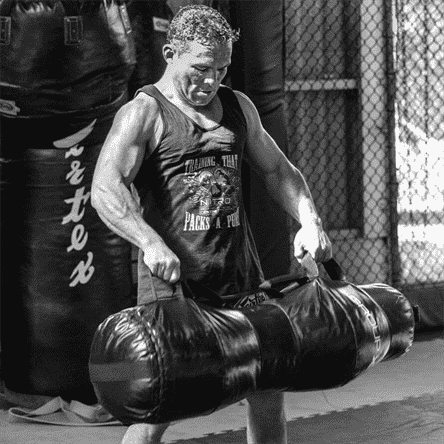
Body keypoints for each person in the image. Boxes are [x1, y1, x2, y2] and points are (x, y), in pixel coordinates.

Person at [91, 5, 332, 443]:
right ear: (170, 53)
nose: (210, 81)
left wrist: (308, 220)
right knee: (159, 406)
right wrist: (149, 243)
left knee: (267, 388)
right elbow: (105, 188)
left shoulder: (238, 107)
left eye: (221, 69)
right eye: (201, 68)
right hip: (176, 288)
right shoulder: (144, 113)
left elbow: (279, 171)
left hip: (241, 280)